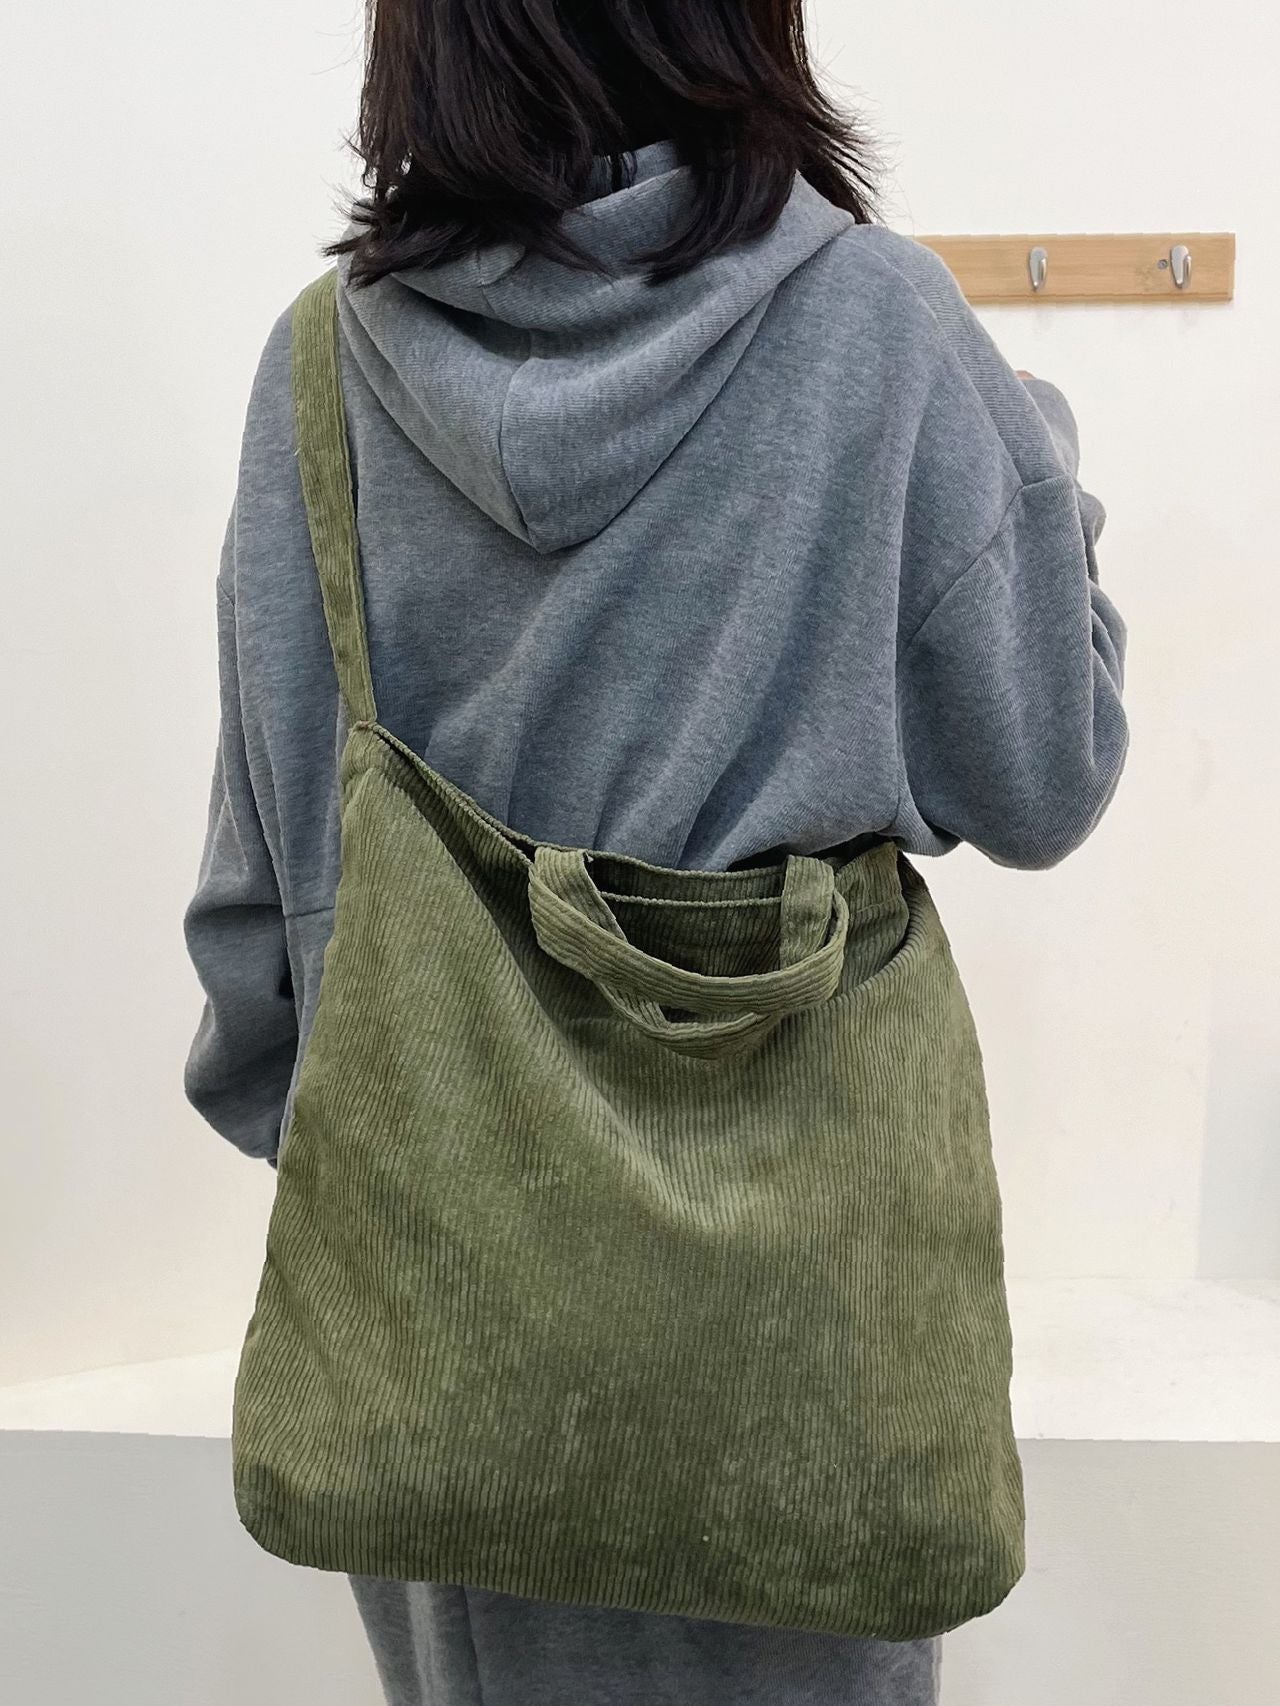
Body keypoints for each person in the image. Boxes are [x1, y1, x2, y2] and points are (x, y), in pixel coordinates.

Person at [182, 2, 1129, 1701]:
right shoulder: (879, 330)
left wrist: (431, 1176)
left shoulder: (318, 370)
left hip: (448, 1361)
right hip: (805, 1369)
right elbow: (1046, 771)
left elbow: (258, 933)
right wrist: (1033, 453)